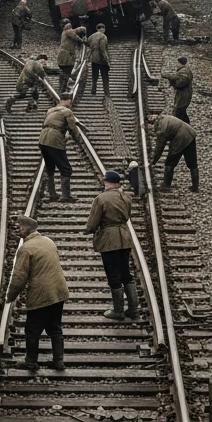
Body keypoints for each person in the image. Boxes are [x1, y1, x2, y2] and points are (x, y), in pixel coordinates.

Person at [5, 215, 70, 371]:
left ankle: (31, 362)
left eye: (20, 227)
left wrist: (10, 297)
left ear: (26, 229)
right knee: (55, 327)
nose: (18, 230)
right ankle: (59, 361)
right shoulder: (48, 241)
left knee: (32, 329)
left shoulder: (26, 249)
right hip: (59, 291)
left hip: (42, 293)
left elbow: (19, 277)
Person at [86, 171, 140, 321]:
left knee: (113, 274)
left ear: (108, 183)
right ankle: (133, 309)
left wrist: (89, 230)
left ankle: (118, 311)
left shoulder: (101, 198)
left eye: (105, 182)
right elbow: (127, 216)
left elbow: (92, 222)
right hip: (124, 237)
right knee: (125, 272)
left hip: (109, 240)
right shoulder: (126, 197)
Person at [38, 93, 82, 203]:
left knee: (50, 168)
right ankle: (66, 196)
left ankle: (52, 194)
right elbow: (73, 129)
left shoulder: (50, 110)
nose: (70, 103)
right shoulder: (67, 111)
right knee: (66, 169)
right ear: (67, 101)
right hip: (54, 140)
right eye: (70, 101)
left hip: (43, 139)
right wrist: (79, 141)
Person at [150, 113, 198, 191]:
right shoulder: (164, 118)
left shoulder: (161, 128)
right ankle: (195, 186)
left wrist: (153, 161)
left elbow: (160, 147)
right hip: (190, 133)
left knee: (170, 162)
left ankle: (166, 185)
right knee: (192, 162)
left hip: (180, 138)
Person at [57, 21, 86, 94]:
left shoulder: (64, 32)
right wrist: (83, 41)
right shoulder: (68, 31)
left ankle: (62, 89)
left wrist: (82, 29)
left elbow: (76, 30)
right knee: (67, 72)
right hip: (66, 56)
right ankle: (62, 90)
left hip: (63, 55)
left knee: (65, 72)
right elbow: (76, 36)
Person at [164, 55, 193, 122]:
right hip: (184, 95)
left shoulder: (183, 72)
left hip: (184, 96)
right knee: (182, 112)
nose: (177, 65)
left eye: (178, 63)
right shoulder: (185, 70)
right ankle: (187, 126)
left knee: (178, 112)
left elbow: (179, 84)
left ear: (180, 63)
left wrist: (171, 80)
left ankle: (179, 126)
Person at [87, 23, 110, 97]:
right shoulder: (103, 37)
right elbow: (103, 49)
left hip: (94, 59)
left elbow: (87, 43)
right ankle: (106, 92)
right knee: (105, 76)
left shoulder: (91, 36)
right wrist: (107, 60)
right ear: (102, 29)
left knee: (94, 75)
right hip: (101, 59)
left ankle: (93, 91)